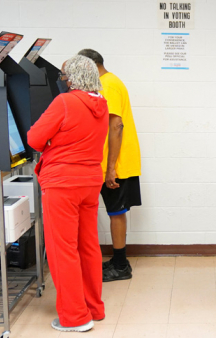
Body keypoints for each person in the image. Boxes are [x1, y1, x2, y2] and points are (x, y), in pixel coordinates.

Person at [28, 55, 108, 332]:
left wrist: (52, 138)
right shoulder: (101, 102)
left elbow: (34, 139)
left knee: (63, 250)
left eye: (63, 77)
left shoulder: (64, 102)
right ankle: (93, 308)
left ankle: (75, 318)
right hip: (89, 183)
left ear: (72, 78)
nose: (62, 81)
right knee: (87, 246)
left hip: (62, 183)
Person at [78, 49, 142, 282]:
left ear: (91, 66)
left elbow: (116, 126)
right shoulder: (106, 82)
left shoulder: (108, 85)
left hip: (117, 163)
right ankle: (118, 261)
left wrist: (111, 168)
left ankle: (121, 265)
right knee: (115, 211)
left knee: (116, 212)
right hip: (109, 161)